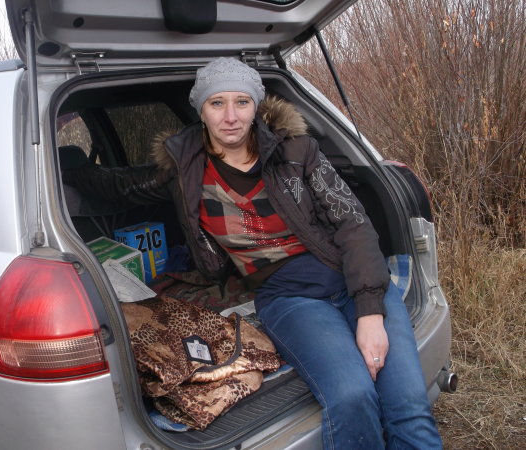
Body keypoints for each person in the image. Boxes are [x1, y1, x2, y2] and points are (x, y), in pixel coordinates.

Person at [63, 57, 443, 449]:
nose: (231, 117)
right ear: (201, 110)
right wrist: (66, 169)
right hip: (290, 299)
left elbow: (354, 225)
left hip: (354, 279)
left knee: (408, 404)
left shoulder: (296, 151)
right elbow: (120, 186)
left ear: (255, 106)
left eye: (242, 102)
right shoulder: (184, 168)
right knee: (352, 395)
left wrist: (370, 313)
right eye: (217, 103)